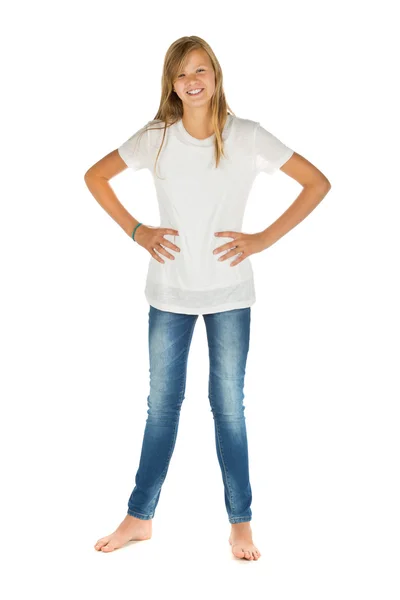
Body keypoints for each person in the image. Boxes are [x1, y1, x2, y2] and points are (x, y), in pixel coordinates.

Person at [84, 36, 331, 561]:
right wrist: (137, 230)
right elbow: (96, 176)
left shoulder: (246, 135)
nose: (191, 81)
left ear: (215, 75)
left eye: (199, 70)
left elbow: (316, 183)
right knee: (161, 409)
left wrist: (263, 239)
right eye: (180, 74)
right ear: (171, 85)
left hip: (229, 295)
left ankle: (240, 524)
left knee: (228, 409)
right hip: (169, 292)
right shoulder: (156, 137)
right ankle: (139, 517)